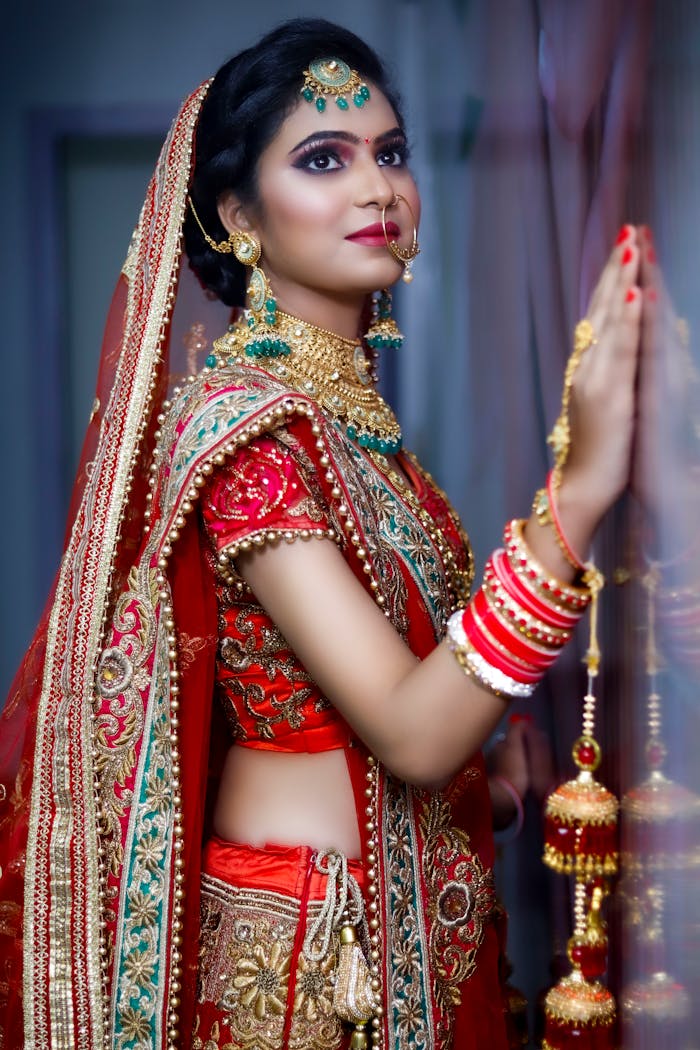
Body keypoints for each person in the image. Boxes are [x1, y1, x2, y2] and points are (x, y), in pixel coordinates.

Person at [0, 18, 642, 1050]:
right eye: (322, 159)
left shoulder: (362, 439)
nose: (375, 186)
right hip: (306, 976)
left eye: (390, 152)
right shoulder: (245, 432)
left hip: (401, 938)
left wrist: (502, 770)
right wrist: (581, 490)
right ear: (237, 215)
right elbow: (412, 730)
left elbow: (427, 713)